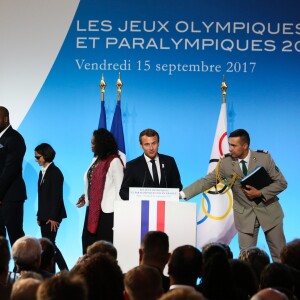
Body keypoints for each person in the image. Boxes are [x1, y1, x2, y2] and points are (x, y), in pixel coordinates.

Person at [181, 129, 287, 262]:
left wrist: (260, 193)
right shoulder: (226, 163)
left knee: (280, 257)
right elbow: (207, 181)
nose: (229, 148)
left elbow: (282, 183)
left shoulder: (263, 158)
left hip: (270, 213)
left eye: (233, 145)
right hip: (245, 216)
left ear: (245, 146)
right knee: (245, 260)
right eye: (229, 144)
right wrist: (183, 194)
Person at [76, 128, 124, 254]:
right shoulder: (96, 160)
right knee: (87, 244)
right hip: (92, 210)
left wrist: (119, 216)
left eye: (93, 143)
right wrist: (85, 197)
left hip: (108, 213)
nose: (91, 146)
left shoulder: (114, 161)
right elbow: (92, 183)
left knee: (103, 248)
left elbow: (120, 190)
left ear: (102, 143)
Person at [120, 128, 182, 200]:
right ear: (141, 146)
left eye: (154, 143)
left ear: (158, 144)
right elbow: (123, 192)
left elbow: (178, 186)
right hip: (142, 209)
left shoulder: (169, 161)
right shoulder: (132, 165)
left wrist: (168, 196)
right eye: (147, 144)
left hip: (165, 208)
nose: (151, 148)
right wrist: (140, 198)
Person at [34, 143, 68, 271]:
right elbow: (42, 196)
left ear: (45, 155)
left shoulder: (55, 172)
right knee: (48, 246)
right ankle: (51, 272)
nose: (36, 159)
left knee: (50, 245)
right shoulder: (42, 172)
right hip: (44, 215)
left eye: (38, 157)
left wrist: (53, 217)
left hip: (53, 216)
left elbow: (57, 197)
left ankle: (65, 270)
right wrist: (39, 214)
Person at [0, 106, 26, 248]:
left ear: (5, 119)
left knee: (15, 236)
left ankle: (22, 268)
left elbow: (10, 170)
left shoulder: (15, 138)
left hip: (11, 196)